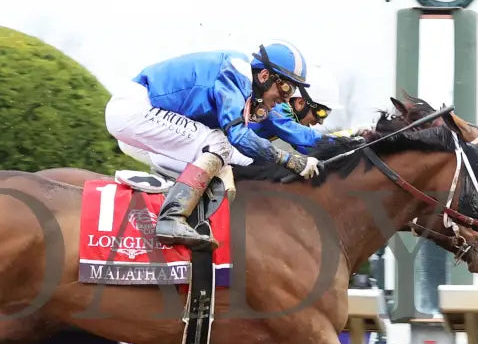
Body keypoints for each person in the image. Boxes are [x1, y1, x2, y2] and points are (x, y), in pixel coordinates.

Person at [104, 42, 327, 249]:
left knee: (229, 163)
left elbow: (303, 138)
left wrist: (349, 142)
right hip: (133, 111)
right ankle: (171, 219)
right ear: (265, 75)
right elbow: (237, 135)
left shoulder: (253, 92)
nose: (286, 98)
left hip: (140, 125)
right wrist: (287, 159)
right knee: (218, 143)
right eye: (286, 89)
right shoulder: (234, 73)